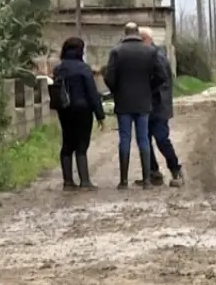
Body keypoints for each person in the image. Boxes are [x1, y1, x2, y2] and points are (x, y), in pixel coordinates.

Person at [103, 22, 168, 190]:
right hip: (144, 102)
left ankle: (123, 181)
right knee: (143, 139)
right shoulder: (150, 51)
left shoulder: (116, 51)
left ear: (125, 33)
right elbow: (162, 76)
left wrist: (117, 91)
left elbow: (109, 78)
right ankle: (147, 180)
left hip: (123, 102)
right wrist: (149, 87)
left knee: (124, 139)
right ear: (138, 34)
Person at [51, 37, 105, 191]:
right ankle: (85, 181)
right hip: (83, 110)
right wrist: (100, 115)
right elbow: (92, 93)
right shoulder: (84, 69)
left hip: (64, 109)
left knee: (67, 143)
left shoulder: (59, 69)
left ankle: (68, 181)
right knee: (81, 145)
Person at [137, 27, 184, 187]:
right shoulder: (152, 55)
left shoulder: (157, 56)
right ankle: (154, 172)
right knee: (146, 139)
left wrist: (146, 90)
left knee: (161, 138)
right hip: (150, 104)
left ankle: (176, 170)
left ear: (145, 39)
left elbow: (161, 80)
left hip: (158, 106)